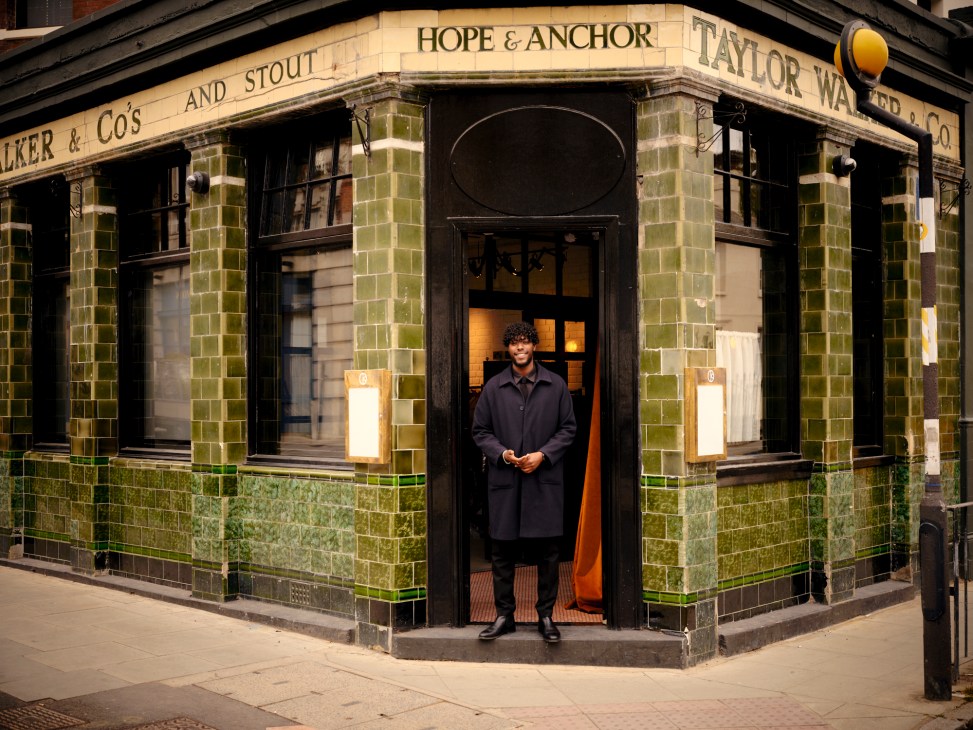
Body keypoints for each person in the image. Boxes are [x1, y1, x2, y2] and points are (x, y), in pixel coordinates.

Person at [472, 321, 577, 643]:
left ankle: (546, 616)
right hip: (505, 482)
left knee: (548, 554)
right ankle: (505, 616)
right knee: (502, 554)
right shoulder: (493, 387)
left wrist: (543, 455)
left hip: (544, 482)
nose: (520, 348)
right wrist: (503, 454)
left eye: (525, 342)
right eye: (514, 343)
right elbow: (480, 432)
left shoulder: (556, 384)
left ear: (534, 346)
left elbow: (568, 429)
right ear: (509, 349)